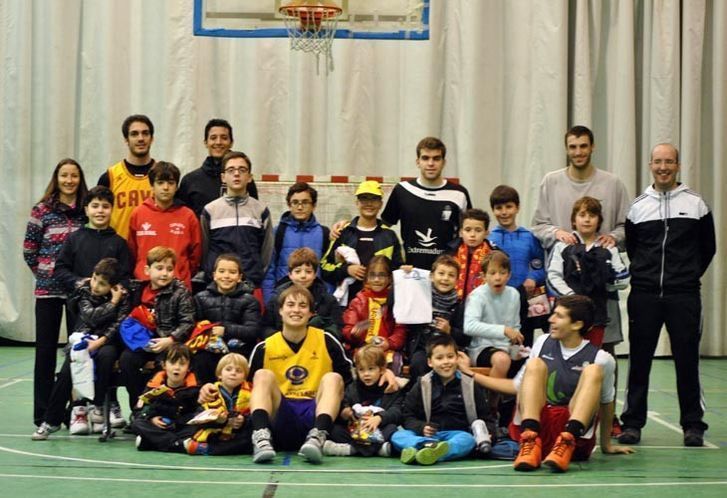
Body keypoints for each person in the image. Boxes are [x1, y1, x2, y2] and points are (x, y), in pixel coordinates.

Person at [458, 295, 634, 473]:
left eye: (559, 316)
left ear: (577, 324)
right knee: (534, 365)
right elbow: (517, 387)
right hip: (539, 425)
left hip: (574, 434)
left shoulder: (602, 358)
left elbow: (606, 403)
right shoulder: (542, 342)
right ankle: (530, 440)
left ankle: (567, 440)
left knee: (593, 370)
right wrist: (470, 373)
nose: (551, 319)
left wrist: (606, 445)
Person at [619, 143, 716, 447]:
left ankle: (693, 425)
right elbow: (633, 248)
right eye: (658, 162)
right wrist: (648, 276)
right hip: (644, 295)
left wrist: (684, 277)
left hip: (684, 296)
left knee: (687, 360)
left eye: (669, 162)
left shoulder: (696, 204)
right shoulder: (638, 206)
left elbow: (707, 248)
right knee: (639, 360)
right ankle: (632, 423)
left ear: (678, 166)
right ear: (650, 164)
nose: (663, 167)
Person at [239, 285, 353, 464]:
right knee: (262, 375)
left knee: (333, 378)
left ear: (311, 313)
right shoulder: (264, 347)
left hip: (316, 410)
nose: (296, 310)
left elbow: (348, 380)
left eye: (302, 305)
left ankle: (318, 437)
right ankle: (261, 438)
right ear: (280, 311)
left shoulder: (327, 340)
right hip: (280, 413)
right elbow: (246, 389)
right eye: (290, 305)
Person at [32, 258, 130, 440]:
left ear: (113, 286)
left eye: (102, 284)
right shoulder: (83, 291)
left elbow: (118, 324)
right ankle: (51, 421)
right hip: (83, 338)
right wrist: (112, 304)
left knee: (107, 356)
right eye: (94, 279)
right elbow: (90, 318)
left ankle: (97, 405)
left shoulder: (124, 297)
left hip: (106, 341)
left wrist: (101, 341)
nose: (95, 286)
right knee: (68, 370)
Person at [24, 158, 88, 427]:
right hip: (48, 292)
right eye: (64, 175)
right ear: (56, 178)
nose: (69, 180)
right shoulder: (41, 211)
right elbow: (29, 250)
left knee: (77, 352)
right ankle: (43, 412)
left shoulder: (86, 210)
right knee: (46, 352)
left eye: (74, 176)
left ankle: (75, 410)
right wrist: (46, 274)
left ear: (79, 179)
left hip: (77, 293)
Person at [391, 334, 492, 465]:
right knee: (398, 436)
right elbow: (408, 415)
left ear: (457, 358)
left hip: (456, 435)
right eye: (439, 358)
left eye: (450, 357)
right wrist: (421, 427)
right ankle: (427, 447)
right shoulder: (422, 384)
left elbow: (486, 417)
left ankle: (426, 452)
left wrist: (489, 433)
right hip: (427, 437)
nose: (446, 362)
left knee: (467, 440)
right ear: (430, 362)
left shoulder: (469, 385)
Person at [119, 246, 195, 411]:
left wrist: (170, 340)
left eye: (169, 269)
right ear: (147, 270)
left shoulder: (181, 292)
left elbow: (188, 322)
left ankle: (162, 409)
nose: (164, 273)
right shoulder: (137, 290)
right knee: (127, 361)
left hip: (168, 343)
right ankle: (138, 407)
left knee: (164, 365)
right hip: (142, 343)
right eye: (159, 268)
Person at [547, 196, 630, 347]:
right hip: (567, 315)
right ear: (573, 220)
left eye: (592, 216)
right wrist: (572, 298)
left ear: (599, 220)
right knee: (565, 359)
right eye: (582, 215)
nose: (587, 220)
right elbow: (553, 276)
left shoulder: (608, 247)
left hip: (597, 315)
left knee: (593, 359)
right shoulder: (562, 246)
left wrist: (605, 283)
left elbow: (623, 279)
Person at [381, 137, 472, 270]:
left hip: (446, 275)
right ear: (418, 162)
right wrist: (348, 226)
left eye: (436, 158)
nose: (431, 163)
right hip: (410, 273)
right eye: (425, 158)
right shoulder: (402, 190)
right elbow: (382, 228)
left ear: (443, 162)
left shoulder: (459, 193)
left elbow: (471, 231)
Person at [321, 180, 403, 306]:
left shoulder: (389, 236)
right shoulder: (343, 233)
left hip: (380, 305)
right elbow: (324, 268)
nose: (369, 203)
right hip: (347, 305)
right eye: (364, 199)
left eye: (374, 199)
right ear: (357, 203)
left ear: (381, 204)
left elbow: (398, 273)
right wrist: (346, 270)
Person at [201, 151, 273, 290]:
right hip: (218, 286)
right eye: (231, 170)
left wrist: (255, 275)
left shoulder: (261, 211)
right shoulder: (210, 210)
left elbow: (266, 252)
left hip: (250, 286)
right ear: (223, 177)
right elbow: (204, 249)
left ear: (250, 177)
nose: (236, 174)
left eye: (242, 170)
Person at [127, 161, 202, 290]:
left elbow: (195, 255)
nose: (166, 187)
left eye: (171, 183)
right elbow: (132, 252)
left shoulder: (188, 216)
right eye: (160, 183)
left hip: (179, 287)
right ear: (152, 186)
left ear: (177, 187)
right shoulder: (138, 213)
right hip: (145, 286)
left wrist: (180, 273)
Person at [487, 185, 546, 346]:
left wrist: (533, 278)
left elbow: (540, 264)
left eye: (509, 207)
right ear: (493, 210)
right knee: (498, 344)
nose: (504, 212)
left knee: (523, 344)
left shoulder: (529, 237)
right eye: (499, 208)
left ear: (517, 207)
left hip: (525, 301)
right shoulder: (490, 239)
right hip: (497, 300)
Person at [53, 186, 133, 299]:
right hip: (79, 306)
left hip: (110, 307)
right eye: (95, 206)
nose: (100, 211)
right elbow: (60, 270)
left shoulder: (120, 243)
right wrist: (80, 282)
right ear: (86, 210)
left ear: (112, 210)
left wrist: (113, 289)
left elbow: (126, 276)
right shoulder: (74, 239)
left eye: (105, 207)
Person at [192, 253, 261, 383]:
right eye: (222, 271)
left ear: (239, 277)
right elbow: (194, 326)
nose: (226, 276)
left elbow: (253, 330)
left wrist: (225, 330)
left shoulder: (249, 300)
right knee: (201, 359)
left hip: (238, 349)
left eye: (232, 272)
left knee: (237, 358)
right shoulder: (200, 298)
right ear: (214, 275)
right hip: (208, 349)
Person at [324, 345, 403, 457]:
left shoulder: (390, 388)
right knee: (334, 429)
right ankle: (377, 450)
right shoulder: (353, 388)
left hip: (378, 429)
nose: (366, 374)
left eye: (371, 369)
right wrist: (345, 412)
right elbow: (344, 403)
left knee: (392, 429)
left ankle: (351, 450)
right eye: (361, 369)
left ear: (381, 369)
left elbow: (397, 411)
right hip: (355, 430)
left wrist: (380, 418)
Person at [262, 182, 330, 303]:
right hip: (284, 299)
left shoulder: (324, 233)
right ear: (289, 205)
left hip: (316, 300)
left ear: (314, 205)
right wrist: (270, 301)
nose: (299, 207)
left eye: (305, 202)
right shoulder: (278, 232)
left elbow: (328, 272)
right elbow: (269, 270)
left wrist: (326, 299)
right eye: (295, 202)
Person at [177, 118, 259, 218]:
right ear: (205, 143)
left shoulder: (243, 178)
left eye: (224, 138)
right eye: (213, 138)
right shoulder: (190, 181)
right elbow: (183, 219)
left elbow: (255, 215)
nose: (218, 142)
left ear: (231, 142)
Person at [406, 255, 468, 381]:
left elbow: (466, 338)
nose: (445, 278)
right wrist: (405, 276)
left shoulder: (459, 305)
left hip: (448, 350)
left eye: (451, 275)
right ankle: (421, 397)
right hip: (423, 348)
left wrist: (450, 331)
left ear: (457, 280)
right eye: (441, 273)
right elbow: (395, 304)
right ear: (432, 276)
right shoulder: (420, 297)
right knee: (419, 362)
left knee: (459, 365)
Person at [342, 255, 406, 372]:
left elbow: (400, 330)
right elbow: (347, 330)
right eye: (372, 275)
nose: (376, 280)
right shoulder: (358, 301)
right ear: (367, 278)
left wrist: (388, 343)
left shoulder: (397, 300)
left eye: (381, 275)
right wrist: (354, 333)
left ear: (390, 278)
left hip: (387, 349)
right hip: (362, 348)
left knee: (394, 362)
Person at [132, 343, 200, 453]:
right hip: (159, 426)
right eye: (172, 363)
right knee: (137, 424)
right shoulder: (153, 385)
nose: (177, 367)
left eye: (182, 364)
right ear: (164, 365)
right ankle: (178, 444)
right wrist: (151, 418)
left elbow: (198, 412)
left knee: (198, 428)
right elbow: (139, 410)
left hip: (182, 426)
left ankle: (151, 442)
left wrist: (178, 422)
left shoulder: (195, 388)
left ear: (189, 367)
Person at [262, 248, 342, 339]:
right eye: (297, 271)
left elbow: (337, 330)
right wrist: (283, 339)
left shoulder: (328, 300)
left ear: (315, 274)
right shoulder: (277, 298)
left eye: (308, 271)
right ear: (290, 275)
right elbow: (265, 328)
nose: (303, 276)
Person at [97, 114, 155, 239]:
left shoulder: (163, 176)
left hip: (154, 254)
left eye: (145, 133)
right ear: (126, 139)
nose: (141, 138)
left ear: (152, 138)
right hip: (119, 252)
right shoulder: (110, 177)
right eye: (134, 134)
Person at [185, 352, 253, 456]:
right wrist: (219, 421)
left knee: (249, 441)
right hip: (215, 434)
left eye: (238, 371)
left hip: (237, 435)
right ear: (219, 374)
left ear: (244, 377)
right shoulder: (210, 392)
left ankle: (208, 450)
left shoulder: (250, 393)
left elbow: (254, 416)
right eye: (228, 369)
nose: (233, 373)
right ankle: (206, 448)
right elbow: (198, 418)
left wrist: (243, 420)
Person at [447, 208, 497, 301]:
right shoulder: (450, 254)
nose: (472, 234)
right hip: (453, 306)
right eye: (468, 230)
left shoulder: (494, 256)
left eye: (478, 230)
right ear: (461, 232)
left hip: (483, 304)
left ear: (486, 233)